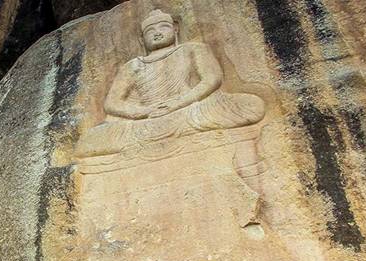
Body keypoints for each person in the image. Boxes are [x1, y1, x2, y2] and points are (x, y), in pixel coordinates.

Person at [75, 9, 265, 159]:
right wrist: (142, 112)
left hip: (189, 111)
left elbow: (212, 79)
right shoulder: (132, 66)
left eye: (162, 27)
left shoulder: (193, 49)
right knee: (88, 142)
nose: (157, 33)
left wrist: (179, 102)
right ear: (142, 39)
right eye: (150, 31)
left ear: (175, 30)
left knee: (252, 105)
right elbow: (112, 103)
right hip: (146, 121)